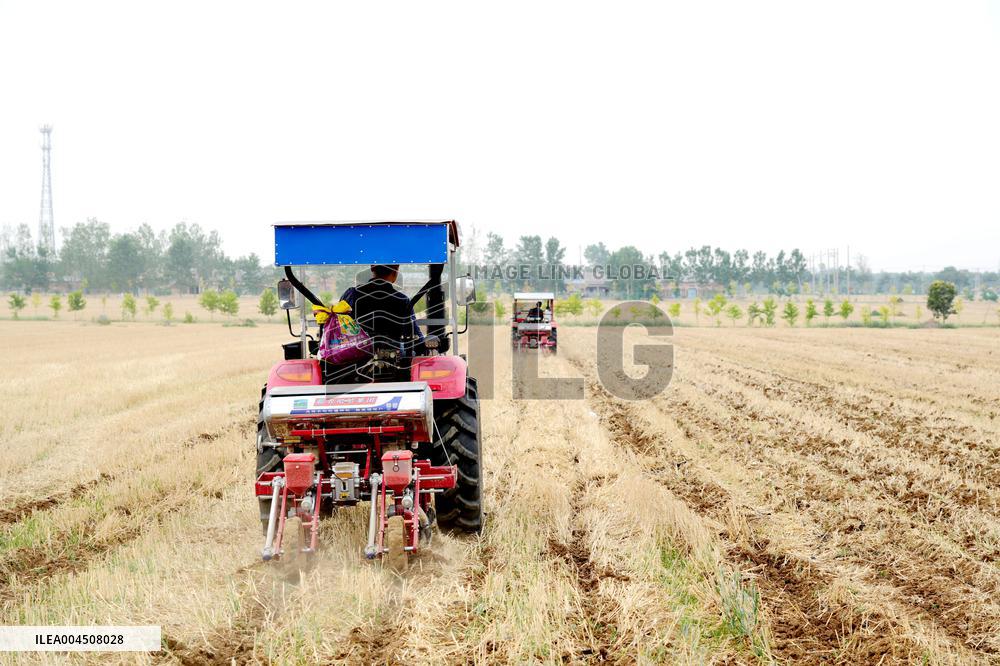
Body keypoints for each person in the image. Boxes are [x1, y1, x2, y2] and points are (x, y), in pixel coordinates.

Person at [340, 265, 423, 350]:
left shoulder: (352, 294)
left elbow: (336, 324)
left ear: (372, 267)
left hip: (355, 355)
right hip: (393, 357)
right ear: (396, 270)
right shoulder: (403, 300)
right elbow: (415, 336)